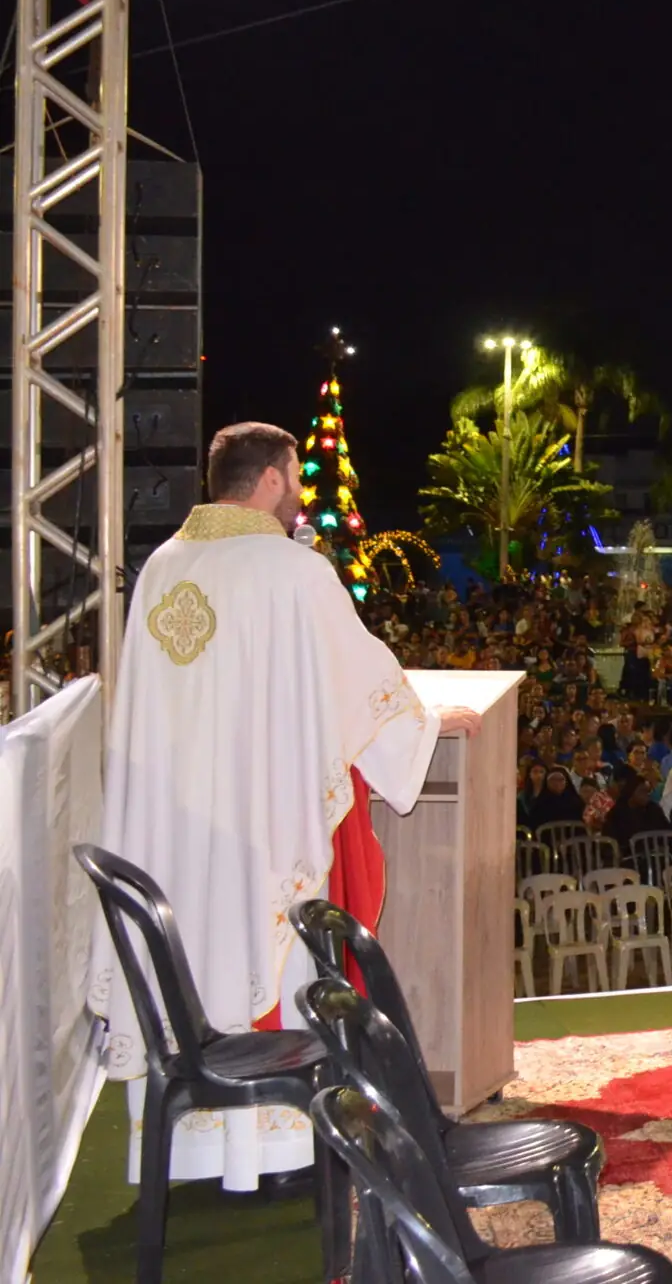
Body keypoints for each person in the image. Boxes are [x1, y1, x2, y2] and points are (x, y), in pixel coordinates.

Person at [90, 421, 482, 1191]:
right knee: (263, 945)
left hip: (171, 831)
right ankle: (272, 1159)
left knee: (191, 962)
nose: (300, 493)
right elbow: (357, 684)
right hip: (255, 827)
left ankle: (192, 1156)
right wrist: (427, 724)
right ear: (269, 480)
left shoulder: (163, 567)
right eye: (295, 477)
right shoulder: (292, 572)